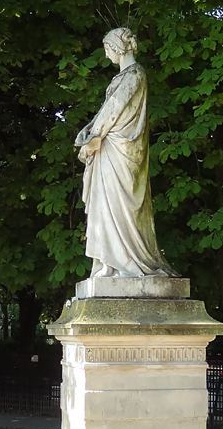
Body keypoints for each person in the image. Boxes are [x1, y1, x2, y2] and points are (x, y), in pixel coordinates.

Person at [75, 27, 176, 278]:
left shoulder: (134, 74)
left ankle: (127, 262)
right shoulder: (121, 78)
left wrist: (93, 135)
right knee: (105, 205)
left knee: (122, 205)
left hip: (121, 149)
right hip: (109, 148)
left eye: (108, 48)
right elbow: (106, 110)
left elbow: (115, 109)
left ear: (117, 48)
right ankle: (109, 263)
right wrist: (89, 133)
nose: (106, 54)